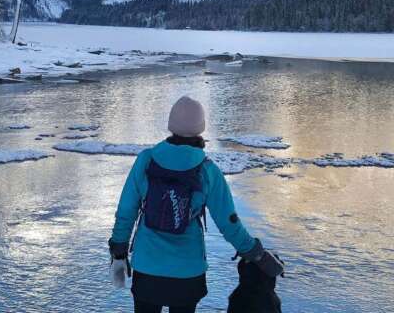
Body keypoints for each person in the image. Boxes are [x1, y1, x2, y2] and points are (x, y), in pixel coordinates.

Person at [109, 96, 284, 313]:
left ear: (171, 125)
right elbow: (229, 224)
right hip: (187, 272)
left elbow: (126, 211)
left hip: (147, 267)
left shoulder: (146, 160)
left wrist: (118, 250)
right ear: (200, 128)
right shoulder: (207, 170)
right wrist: (256, 254)